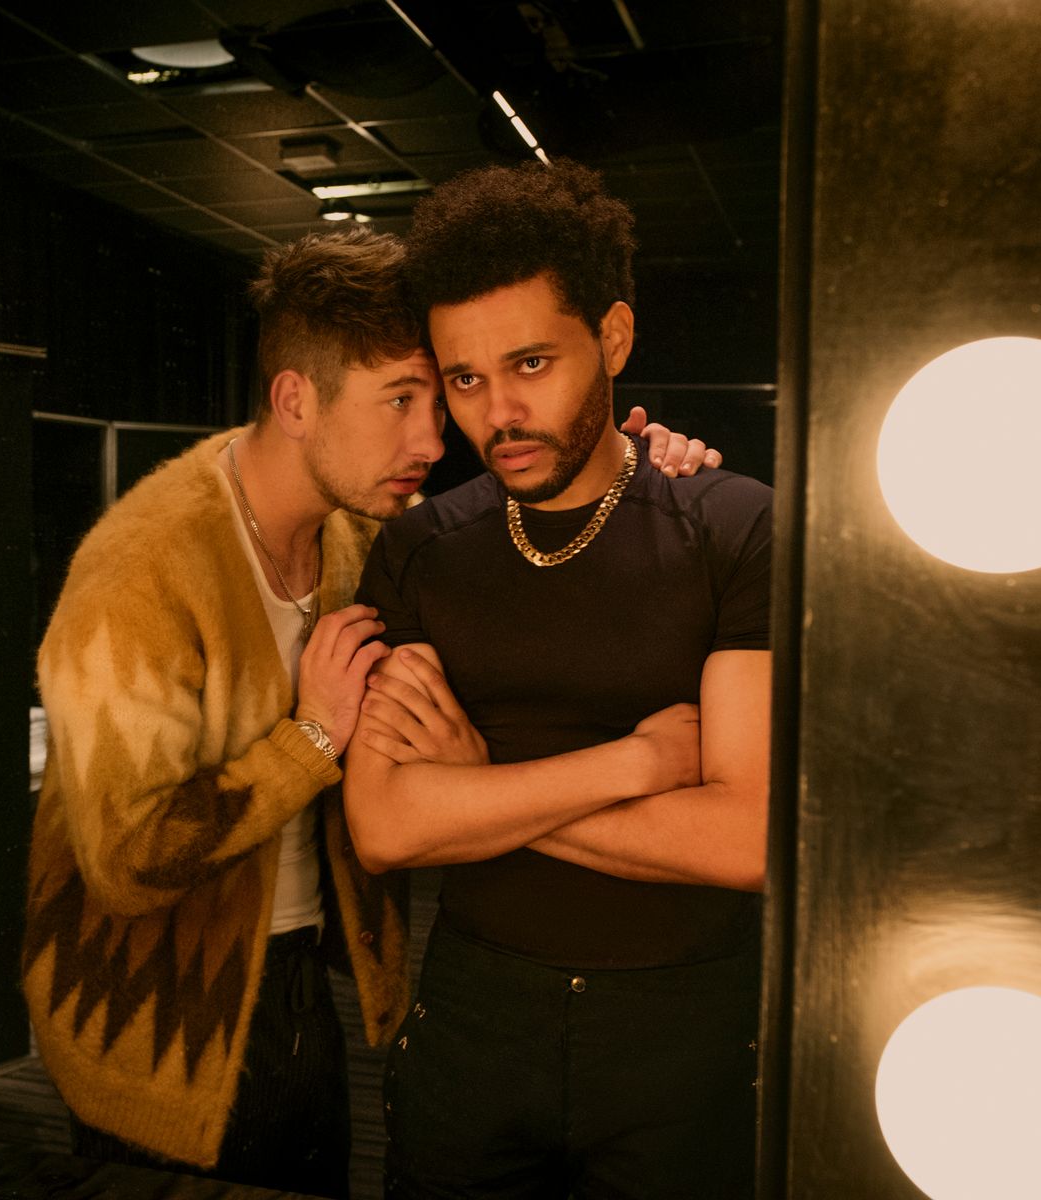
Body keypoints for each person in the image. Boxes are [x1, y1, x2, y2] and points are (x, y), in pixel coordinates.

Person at [21, 226, 717, 1197]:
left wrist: (642, 465)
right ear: (295, 401)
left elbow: (535, 539)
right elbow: (128, 862)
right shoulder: (139, 571)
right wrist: (311, 736)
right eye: (400, 401)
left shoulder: (359, 536)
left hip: (308, 985)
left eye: (439, 400)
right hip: (157, 1024)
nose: (433, 443)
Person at [344, 161, 773, 1200]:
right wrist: (637, 765)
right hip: (475, 1012)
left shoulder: (731, 527)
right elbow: (387, 830)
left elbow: (747, 840)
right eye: (466, 379)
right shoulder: (421, 551)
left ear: (613, 339)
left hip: (685, 1025)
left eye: (531, 362)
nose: (501, 412)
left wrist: (477, 785)